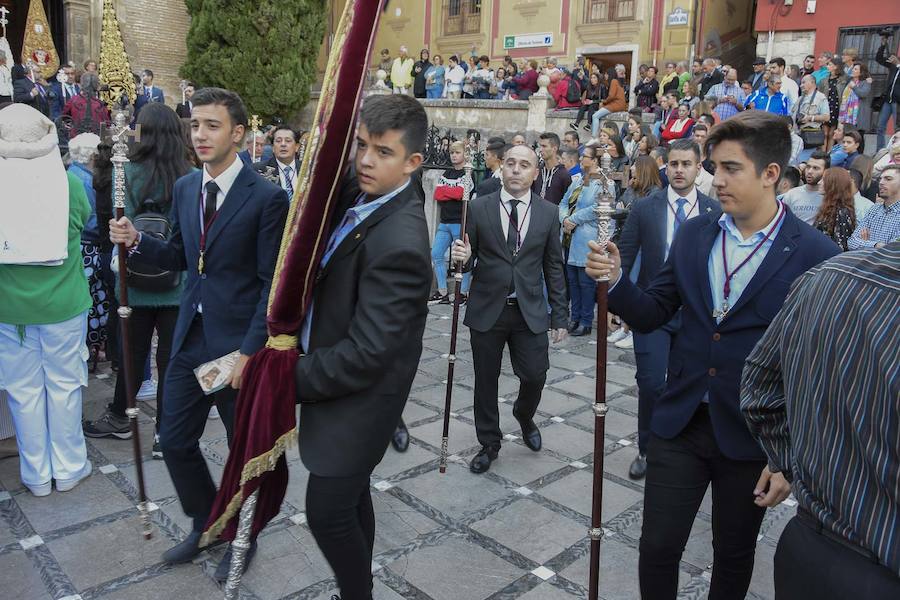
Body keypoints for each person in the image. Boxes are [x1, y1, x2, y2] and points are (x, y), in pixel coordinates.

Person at [584, 110, 840, 600]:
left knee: (733, 554)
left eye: (730, 168)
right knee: (657, 546)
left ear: (770, 174)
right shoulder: (696, 235)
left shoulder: (814, 254)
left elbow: (818, 371)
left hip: (752, 436)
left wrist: (789, 458)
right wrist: (616, 282)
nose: (714, 180)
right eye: (714, 168)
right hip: (680, 421)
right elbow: (655, 311)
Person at [108, 88, 288, 578]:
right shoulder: (187, 187)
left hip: (236, 349)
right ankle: (207, 521)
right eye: (195, 125)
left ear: (238, 133)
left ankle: (243, 534)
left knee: (245, 451)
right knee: (174, 436)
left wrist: (250, 352)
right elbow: (183, 258)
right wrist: (139, 241)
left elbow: (271, 284)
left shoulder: (268, 197)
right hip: (189, 340)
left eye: (212, 125)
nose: (201, 134)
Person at [294, 94, 432, 600]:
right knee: (351, 501)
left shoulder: (400, 242)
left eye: (383, 152)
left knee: (327, 513)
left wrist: (285, 376)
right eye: (362, 146)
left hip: (362, 400)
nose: (366, 161)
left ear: (413, 163)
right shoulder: (368, 192)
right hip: (341, 382)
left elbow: (367, 353)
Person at [741, 242, 900, 600]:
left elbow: (759, 388)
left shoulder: (826, 272)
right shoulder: (829, 274)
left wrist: (796, 464)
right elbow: (761, 386)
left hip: (810, 549)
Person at [450, 144, 568, 474]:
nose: (516, 170)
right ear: (502, 168)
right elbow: (467, 258)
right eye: (511, 163)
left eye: (524, 165)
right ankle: (489, 442)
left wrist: (559, 314)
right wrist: (462, 257)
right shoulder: (478, 207)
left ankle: (524, 413)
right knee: (485, 381)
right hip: (488, 307)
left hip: (528, 310)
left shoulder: (548, 213)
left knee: (535, 373)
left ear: (534, 172)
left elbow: (553, 266)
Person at [83, 103, 193, 457]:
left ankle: (119, 417)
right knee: (171, 360)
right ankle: (166, 432)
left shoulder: (125, 172)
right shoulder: (190, 174)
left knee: (132, 353)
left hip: (134, 277)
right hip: (177, 279)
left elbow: (120, 221)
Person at [0, 104, 94, 497]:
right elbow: (83, 221)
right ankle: (69, 466)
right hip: (63, 303)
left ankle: (36, 474)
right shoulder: (69, 182)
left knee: (22, 390)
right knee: (64, 384)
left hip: (9, 307)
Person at [616, 140, 718, 480]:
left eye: (686, 164)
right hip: (652, 308)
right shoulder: (646, 208)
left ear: (698, 167)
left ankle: (680, 446)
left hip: (695, 314)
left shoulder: (712, 212)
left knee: (687, 383)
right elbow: (626, 255)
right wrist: (618, 301)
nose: (678, 170)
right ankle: (647, 448)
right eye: (673, 164)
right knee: (650, 381)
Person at [66, 133, 108, 366]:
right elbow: (89, 220)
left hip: (82, 246)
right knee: (93, 300)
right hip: (89, 247)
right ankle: (93, 346)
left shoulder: (73, 173)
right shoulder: (83, 179)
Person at [559, 145, 607, 336]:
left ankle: (586, 320)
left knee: (585, 281)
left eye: (585, 157)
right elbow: (563, 202)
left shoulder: (604, 181)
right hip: (570, 235)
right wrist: (564, 218)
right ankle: (575, 317)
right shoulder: (578, 179)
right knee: (572, 279)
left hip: (587, 236)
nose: (580, 160)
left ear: (594, 160)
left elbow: (598, 207)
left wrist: (573, 219)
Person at [429, 141, 473, 305]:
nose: (454, 155)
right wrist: (452, 193)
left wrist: (450, 192)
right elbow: (437, 194)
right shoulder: (446, 173)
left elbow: (463, 193)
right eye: (452, 153)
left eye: (457, 152)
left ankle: (462, 293)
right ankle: (442, 291)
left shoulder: (468, 173)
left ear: (464, 155)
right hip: (445, 221)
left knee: (462, 258)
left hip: (459, 221)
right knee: (436, 254)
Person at [848, 164, 900, 249]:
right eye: (880, 179)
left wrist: (865, 244)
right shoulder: (874, 209)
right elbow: (851, 242)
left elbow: (893, 251)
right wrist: (876, 245)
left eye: (888, 179)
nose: (881, 183)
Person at [812, 168, 856, 250]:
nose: (819, 183)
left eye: (823, 180)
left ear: (833, 184)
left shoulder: (842, 212)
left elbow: (840, 247)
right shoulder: (828, 208)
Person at [253, 125, 301, 200]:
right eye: (278, 141)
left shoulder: (307, 170)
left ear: (297, 147)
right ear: (272, 148)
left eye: (288, 141)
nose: (283, 144)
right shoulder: (258, 170)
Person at [782, 150, 827, 225]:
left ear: (826, 171)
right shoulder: (791, 194)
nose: (809, 171)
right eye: (808, 167)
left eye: (815, 168)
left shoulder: (829, 197)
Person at [793, 74, 830, 163]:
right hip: (798, 135)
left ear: (812, 82)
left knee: (804, 162)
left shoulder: (820, 97)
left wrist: (810, 118)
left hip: (811, 136)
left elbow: (826, 117)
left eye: (804, 82)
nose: (801, 85)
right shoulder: (800, 98)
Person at [61, 72, 110, 137]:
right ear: (97, 86)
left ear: (81, 85)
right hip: (96, 139)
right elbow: (107, 124)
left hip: (77, 138)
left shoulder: (73, 100)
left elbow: (64, 117)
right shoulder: (99, 104)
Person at [532, 132, 572, 206]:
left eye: (544, 146)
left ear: (554, 148)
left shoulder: (564, 175)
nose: (540, 149)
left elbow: (567, 203)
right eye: (540, 146)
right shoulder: (537, 171)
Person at [875, 38, 900, 151]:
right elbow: (879, 59)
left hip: (898, 102)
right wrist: (883, 45)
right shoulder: (894, 65)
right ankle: (880, 151)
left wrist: (898, 64)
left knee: (897, 129)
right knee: (880, 127)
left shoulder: (897, 64)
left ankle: (896, 151)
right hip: (887, 101)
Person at [591, 64, 628, 138]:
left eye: (606, 74)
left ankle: (594, 137)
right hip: (619, 105)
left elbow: (611, 96)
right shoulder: (617, 81)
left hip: (616, 105)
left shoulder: (614, 81)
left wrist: (604, 102)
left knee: (595, 116)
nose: (605, 76)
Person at [819, 58, 848, 150]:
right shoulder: (824, 80)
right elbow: (820, 93)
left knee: (832, 133)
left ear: (836, 67)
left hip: (836, 107)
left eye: (830, 65)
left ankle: (829, 152)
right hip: (826, 106)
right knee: (825, 133)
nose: (828, 66)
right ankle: (823, 152)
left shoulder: (843, 79)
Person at [839, 62, 873, 132]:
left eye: (855, 69)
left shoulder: (865, 82)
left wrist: (854, 87)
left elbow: (863, 94)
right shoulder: (849, 81)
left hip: (857, 115)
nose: (852, 70)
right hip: (847, 114)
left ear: (861, 72)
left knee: (858, 137)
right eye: (853, 69)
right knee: (848, 135)